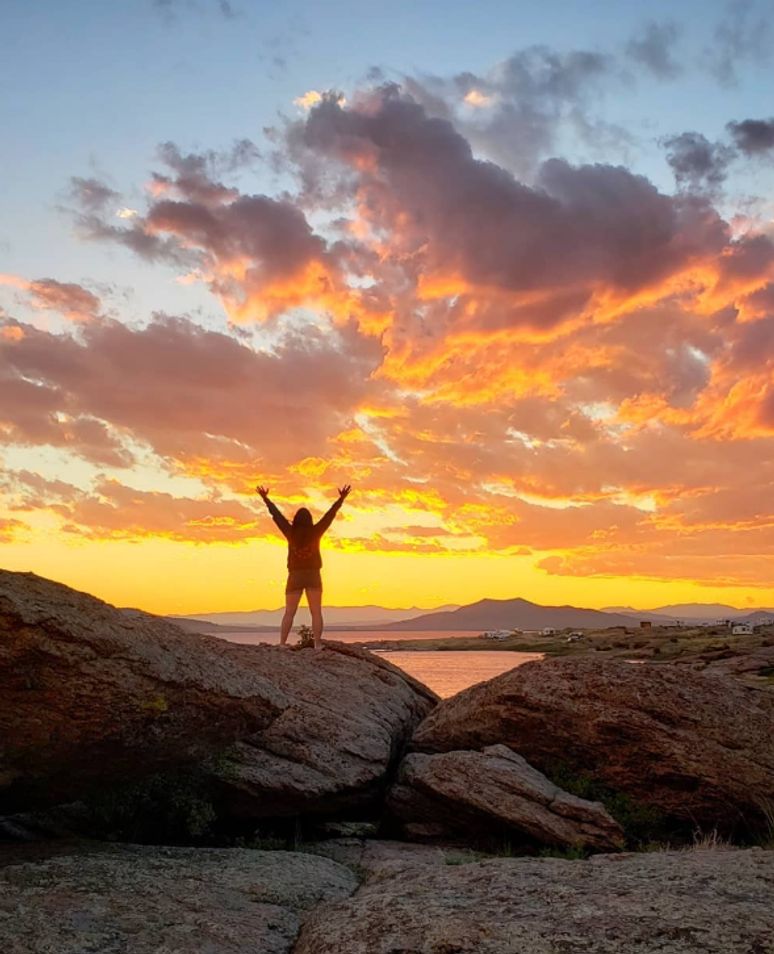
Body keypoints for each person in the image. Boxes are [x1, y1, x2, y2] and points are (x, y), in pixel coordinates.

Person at [256, 484, 351, 651]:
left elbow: (277, 516)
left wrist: (266, 499)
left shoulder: (290, 532)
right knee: (316, 612)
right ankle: (317, 644)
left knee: (289, 612)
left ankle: (282, 643)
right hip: (313, 575)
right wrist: (341, 499)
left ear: (296, 520)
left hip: (295, 576)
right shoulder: (316, 531)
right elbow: (329, 516)